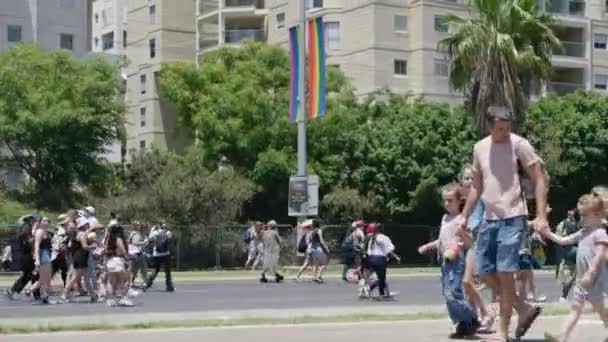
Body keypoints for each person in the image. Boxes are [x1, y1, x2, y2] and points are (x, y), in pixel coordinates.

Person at [459, 106, 547, 341]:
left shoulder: (520, 144)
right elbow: (477, 185)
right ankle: (524, 308)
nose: (504, 133)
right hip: (489, 219)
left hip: (513, 216)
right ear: (489, 126)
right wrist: (465, 215)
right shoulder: (479, 148)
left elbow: (539, 177)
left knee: (506, 274)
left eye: (507, 128)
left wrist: (541, 215)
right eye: (499, 129)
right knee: (484, 273)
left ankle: (502, 331)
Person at [542, 193, 608, 342]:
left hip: (595, 281)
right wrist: (548, 233)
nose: (581, 219)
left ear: (597, 215)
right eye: (580, 215)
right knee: (575, 309)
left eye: (585, 215)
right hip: (582, 281)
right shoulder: (583, 232)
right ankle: (562, 336)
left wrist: (590, 274)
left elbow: (599, 256)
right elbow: (564, 240)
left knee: (602, 310)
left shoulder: (600, 234)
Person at [419, 183, 480, 338]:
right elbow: (441, 240)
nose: (446, 204)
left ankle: (472, 318)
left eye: (450, 200)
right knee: (447, 295)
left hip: (455, 261)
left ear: (460, 201)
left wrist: (458, 244)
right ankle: (462, 324)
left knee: (453, 294)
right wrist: (428, 246)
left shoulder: (461, 219)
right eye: (445, 200)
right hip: (444, 261)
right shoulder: (445, 218)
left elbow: (469, 241)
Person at [460, 164, 495, 333]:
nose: (468, 181)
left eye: (472, 178)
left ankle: (487, 314)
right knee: (468, 285)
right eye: (466, 178)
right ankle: (476, 317)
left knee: (468, 282)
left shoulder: (480, 200)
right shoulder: (464, 203)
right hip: (469, 246)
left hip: (479, 244)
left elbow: (477, 223)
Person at [61, 217, 98, 302]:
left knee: (86, 278)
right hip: (82, 258)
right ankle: (65, 293)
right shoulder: (81, 234)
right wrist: (93, 247)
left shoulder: (72, 237)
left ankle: (93, 296)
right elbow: (84, 246)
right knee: (75, 278)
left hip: (76, 258)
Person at [6, 214, 37, 300]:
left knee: (28, 275)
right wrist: (36, 237)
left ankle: (15, 289)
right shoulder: (26, 229)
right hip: (27, 255)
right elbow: (29, 242)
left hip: (25, 254)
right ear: (30, 221)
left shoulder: (25, 229)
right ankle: (17, 290)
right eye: (33, 220)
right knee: (31, 274)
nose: (34, 222)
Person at [366, 223, 400, 300]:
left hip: (371, 258)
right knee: (381, 278)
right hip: (380, 259)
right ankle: (380, 293)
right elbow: (389, 250)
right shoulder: (384, 238)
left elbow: (369, 251)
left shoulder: (372, 238)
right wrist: (396, 257)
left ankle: (385, 293)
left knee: (379, 278)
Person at [104, 221, 133, 307]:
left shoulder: (108, 238)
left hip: (110, 260)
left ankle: (111, 299)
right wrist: (126, 256)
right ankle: (121, 298)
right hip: (118, 260)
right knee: (124, 279)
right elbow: (121, 247)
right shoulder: (118, 238)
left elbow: (105, 249)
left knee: (112, 281)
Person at [555, 210, 581, 303]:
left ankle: (564, 297)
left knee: (571, 275)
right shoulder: (581, 223)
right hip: (573, 250)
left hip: (570, 250)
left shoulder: (564, 224)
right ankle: (565, 296)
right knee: (572, 275)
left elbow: (559, 238)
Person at [30, 217, 54, 304]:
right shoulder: (39, 232)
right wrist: (37, 259)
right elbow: (36, 246)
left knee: (45, 278)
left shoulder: (46, 232)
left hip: (47, 254)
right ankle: (43, 296)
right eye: (44, 220)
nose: (46, 222)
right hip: (43, 255)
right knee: (45, 278)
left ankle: (43, 296)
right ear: (40, 222)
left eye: (47, 220)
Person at [146, 223, 174, 292]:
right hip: (166, 253)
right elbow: (169, 240)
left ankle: (148, 283)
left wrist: (152, 230)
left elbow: (149, 238)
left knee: (156, 270)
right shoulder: (168, 232)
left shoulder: (155, 232)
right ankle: (169, 285)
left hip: (157, 254)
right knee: (167, 270)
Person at [50, 214, 70, 287]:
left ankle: (66, 285)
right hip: (59, 253)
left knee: (64, 270)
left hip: (60, 253)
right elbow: (60, 243)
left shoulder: (59, 229)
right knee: (53, 270)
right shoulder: (62, 231)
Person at [128, 222, 149, 288]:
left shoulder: (143, 235)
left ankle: (144, 281)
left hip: (138, 253)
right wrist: (143, 242)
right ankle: (131, 282)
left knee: (141, 268)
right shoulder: (136, 234)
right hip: (134, 253)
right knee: (133, 269)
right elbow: (135, 243)